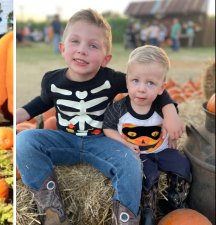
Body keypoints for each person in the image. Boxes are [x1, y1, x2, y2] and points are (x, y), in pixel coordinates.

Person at [16, 9, 184, 225]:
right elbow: (40, 103)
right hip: (64, 140)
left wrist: (170, 111)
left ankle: (126, 219)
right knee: (25, 141)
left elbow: (146, 82)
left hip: (102, 140)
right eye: (75, 42)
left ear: (106, 58)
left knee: (130, 162)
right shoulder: (52, 80)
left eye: (92, 45)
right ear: (62, 47)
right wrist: (16, 116)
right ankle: (52, 212)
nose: (82, 50)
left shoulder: (112, 79)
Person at [103, 45, 191, 225]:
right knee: (147, 175)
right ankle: (148, 209)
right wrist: (125, 144)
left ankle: (176, 200)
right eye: (135, 81)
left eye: (150, 83)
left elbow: (171, 124)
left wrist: (173, 136)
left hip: (162, 149)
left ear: (161, 88)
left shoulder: (162, 107)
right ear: (127, 81)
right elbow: (108, 128)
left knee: (182, 165)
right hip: (137, 153)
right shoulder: (118, 108)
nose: (141, 89)